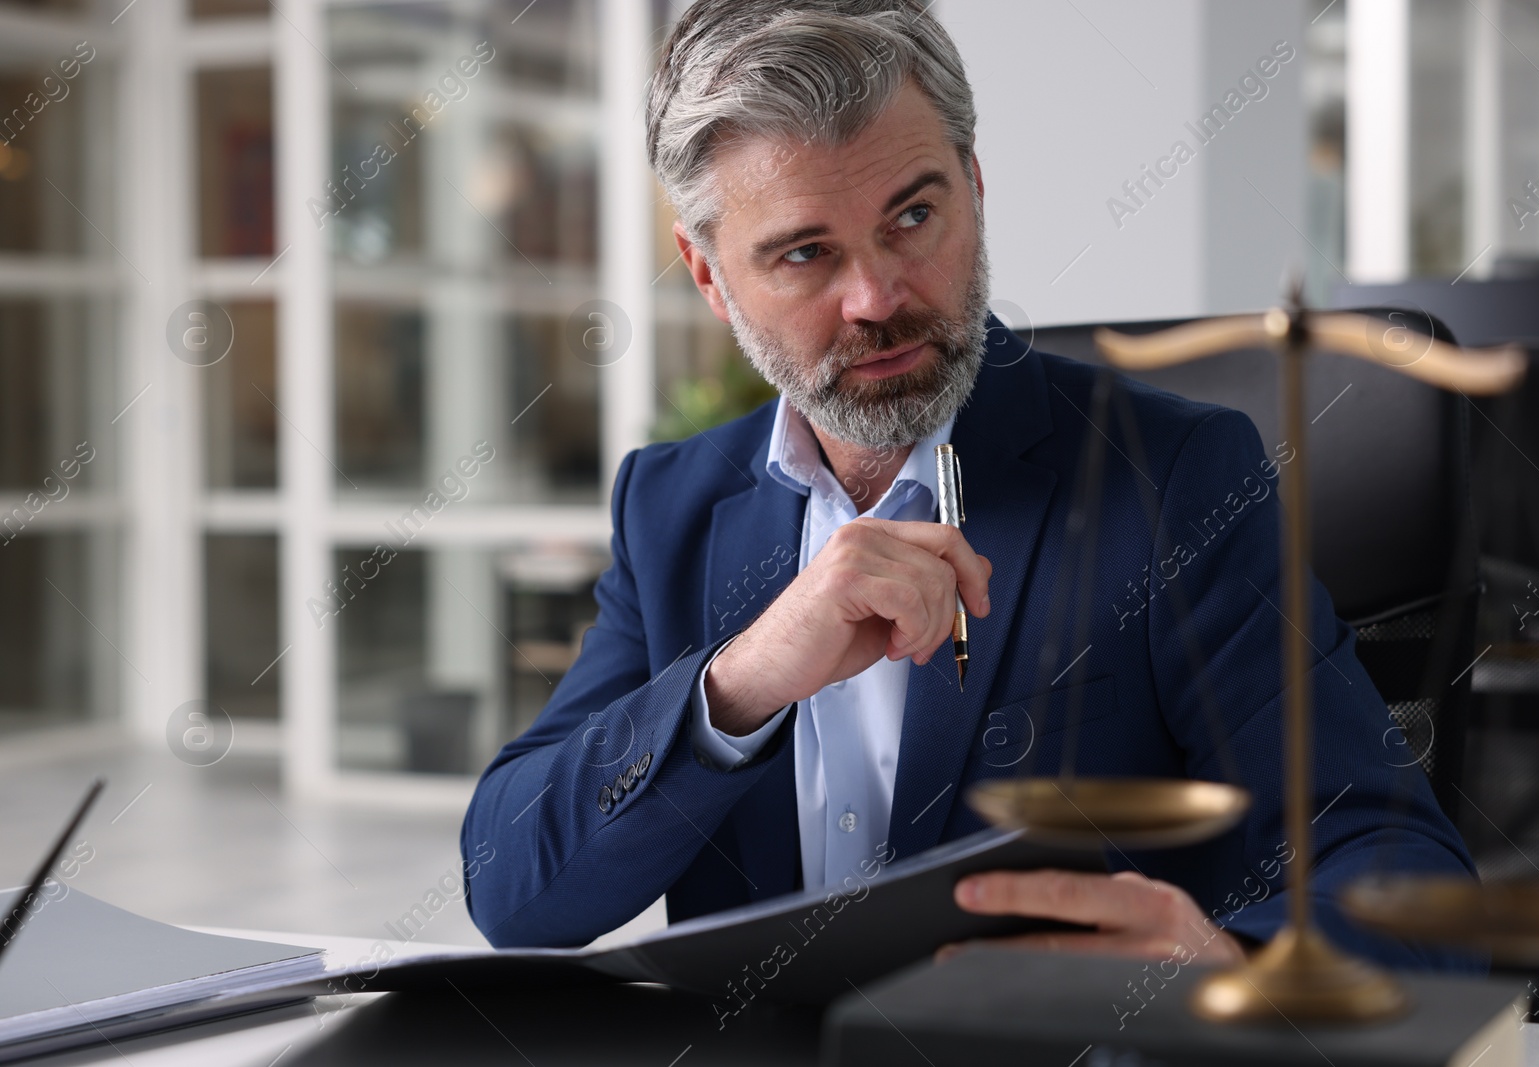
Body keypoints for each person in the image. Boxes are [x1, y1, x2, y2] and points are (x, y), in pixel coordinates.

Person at [462, 0, 1475, 969]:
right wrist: (740, 683)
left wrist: (1225, 963)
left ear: (974, 190)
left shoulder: (1173, 477)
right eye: (806, 254)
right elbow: (513, 889)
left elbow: (1400, 868)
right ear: (707, 274)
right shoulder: (670, 505)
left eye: (912, 217)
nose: (877, 299)